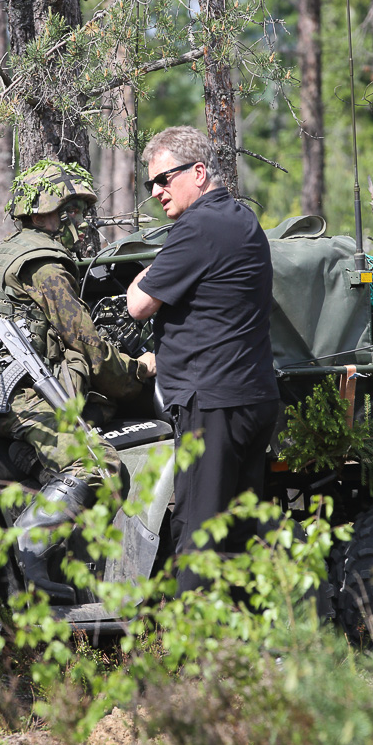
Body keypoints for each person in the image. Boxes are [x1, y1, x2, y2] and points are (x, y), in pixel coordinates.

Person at [0, 158, 156, 603]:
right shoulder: (45, 264)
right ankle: (30, 545)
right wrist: (137, 371)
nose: (81, 223)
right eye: (76, 210)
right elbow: (86, 344)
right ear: (57, 210)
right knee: (98, 464)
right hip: (11, 396)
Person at [126, 126, 279, 588]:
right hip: (252, 398)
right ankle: (244, 653)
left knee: (198, 539)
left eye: (164, 179)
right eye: (151, 183)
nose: (156, 192)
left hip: (211, 403)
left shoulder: (195, 227)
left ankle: (197, 659)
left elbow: (138, 304)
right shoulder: (241, 219)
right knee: (239, 536)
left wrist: (148, 270)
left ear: (198, 172)